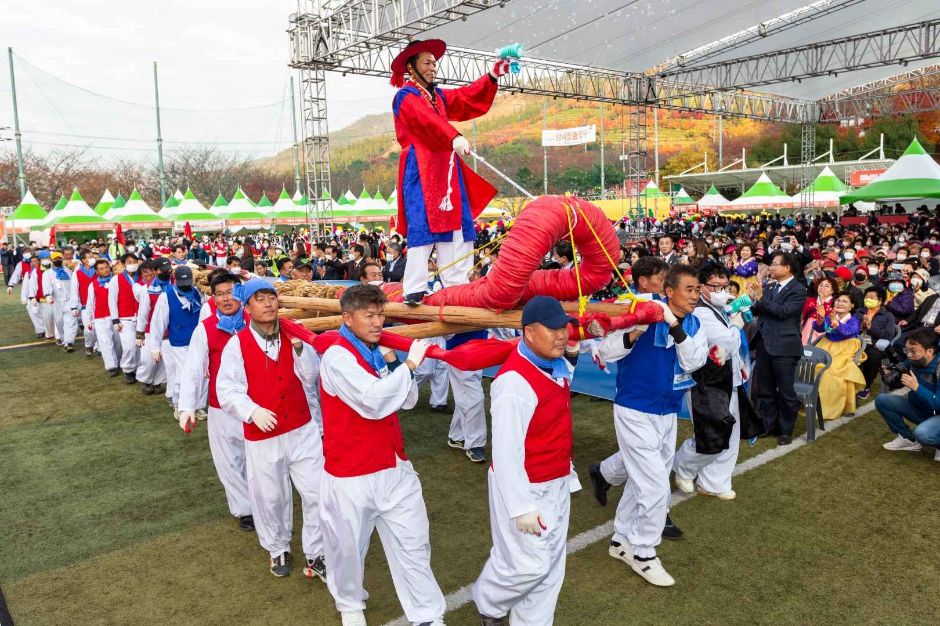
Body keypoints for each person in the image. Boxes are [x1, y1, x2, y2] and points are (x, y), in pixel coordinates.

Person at [317, 284, 445, 626]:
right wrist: (411, 364)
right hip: (350, 475)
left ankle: (428, 615)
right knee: (347, 551)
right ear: (347, 317)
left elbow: (406, 401)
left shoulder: (378, 351)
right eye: (369, 315)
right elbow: (373, 402)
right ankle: (349, 604)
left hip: (394, 467)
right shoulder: (337, 356)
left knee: (414, 546)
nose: (378, 323)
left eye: (381, 315)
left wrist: (396, 362)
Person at [595, 264, 708, 587]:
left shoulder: (695, 323)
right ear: (668, 291)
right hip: (634, 408)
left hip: (667, 411)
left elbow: (694, 362)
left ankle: (620, 540)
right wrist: (634, 333)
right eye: (689, 289)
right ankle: (644, 552)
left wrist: (676, 329)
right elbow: (606, 351)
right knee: (656, 485)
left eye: (697, 289)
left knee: (641, 477)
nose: (695, 295)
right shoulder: (638, 312)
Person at [471, 297, 582, 625]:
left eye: (563, 327)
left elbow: (557, 393)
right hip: (526, 484)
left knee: (550, 567)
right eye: (553, 329)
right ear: (529, 333)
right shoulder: (513, 383)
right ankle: (488, 601)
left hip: (556, 478)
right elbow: (506, 452)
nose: (561, 334)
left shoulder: (553, 365)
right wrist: (521, 507)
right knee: (528, 565)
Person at [216, 278, 326, 580]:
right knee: (271, 496)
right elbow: (227, 389)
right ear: (247, 307)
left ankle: (316, 552)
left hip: (302, 428)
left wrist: (302, 349)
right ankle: (277, 547)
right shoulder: (236, 344)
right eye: (259, 299)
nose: (267, 304)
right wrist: (252, 411)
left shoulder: (294, 335)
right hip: (263, 436)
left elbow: (311, 377)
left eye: (271, 298)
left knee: (318, 491)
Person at [391, 38, 507, 304]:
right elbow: (425, 120)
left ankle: (457, 282)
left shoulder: (438, 96)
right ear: (412, 69)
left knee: (458, 225)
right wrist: (453, 136)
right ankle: (415, 287)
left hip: (446, 167)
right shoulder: (405, 97)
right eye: (427, 63)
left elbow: (466, 97)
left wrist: (491, 75)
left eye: (434, 63)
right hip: (421, 166)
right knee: (423, 226)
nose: (433, 67)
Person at [177, 272, 254, 533]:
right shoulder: (206, 328)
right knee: (228, 462)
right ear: (213, 298)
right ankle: (245, 509)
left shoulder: (256, 322)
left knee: (257, 459)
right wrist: (188, 406)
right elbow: (193, 368)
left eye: (231, 292)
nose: (226, 298)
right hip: (220, 406)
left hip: (255, 405)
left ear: (241, 294)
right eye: (220, 294)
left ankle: (263, 503)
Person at [673, 263, 752, 501]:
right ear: (701, 287)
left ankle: (714, 481)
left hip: (730, 376)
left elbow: (731, 343)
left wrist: (734, 323)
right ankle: (683, 465)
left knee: (732, 430)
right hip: (708, 380)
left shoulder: (718, 308)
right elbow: (725, 339)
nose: (720, 290)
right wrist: (737, 326)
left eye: (723, 285)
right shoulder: (699, 312)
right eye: (713, 286)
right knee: (714, 430)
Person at [748, 252, 808, 446]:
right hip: (764, 343)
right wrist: (753, 299)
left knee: (785, 391)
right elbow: (759, 310)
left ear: (787, 268)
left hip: (784, 347)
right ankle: (768, 424)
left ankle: (786, 430)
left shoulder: (798, 289)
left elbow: (783, 312)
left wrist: (761, 299)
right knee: (764, 389)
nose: (770, 268)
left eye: (774, 264)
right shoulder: (771, 285)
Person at [875, 327, 940, 454]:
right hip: (920, 408)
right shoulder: (914, 360)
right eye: (907, 350)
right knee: (882, 400)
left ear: (929, 351)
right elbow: (897, 383)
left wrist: (917, 388)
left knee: (923, 433)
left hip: (937, 413)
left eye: (913, 351)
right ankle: (908, 439)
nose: (909, 355)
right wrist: (889, 375)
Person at [148, 266, 203, 413]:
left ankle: (196, 405)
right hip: (178, 342)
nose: (186, 284)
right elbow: (158, 322)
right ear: (176, 280)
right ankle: (179, 404)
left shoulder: (197, 293)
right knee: (184, 373)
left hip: (197, 341)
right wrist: (155, 347)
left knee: (200, 374)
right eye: (182, 281)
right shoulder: (166, 296)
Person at [813, 293, 866, 420]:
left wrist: (834, 321)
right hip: (826, 345)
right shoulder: (830, 316)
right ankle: (811, 400)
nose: (840, 303)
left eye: (844, 301)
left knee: (830, 371)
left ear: (851, 305)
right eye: (838, 300)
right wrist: (820, 319)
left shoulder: (854, 320)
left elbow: (847, 331)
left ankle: (833, 406)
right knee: (812, 365)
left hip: (846, 348)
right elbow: (819, 328)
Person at [108, 253, 143, 384]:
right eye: (129, 262)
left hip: (140, 317)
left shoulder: (142, 278)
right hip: (125, 318)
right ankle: (128, 369)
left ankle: (138, 369)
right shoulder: (115, 280)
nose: (132, 264)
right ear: (123, 264)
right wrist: (115, 319)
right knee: (129, 346)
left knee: (141, 346)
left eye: (134, 261)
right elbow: (112, 301)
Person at [857, 286, 897, 400]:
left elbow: (888, 336)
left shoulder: (888, 316)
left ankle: (866, 386)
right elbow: (851, 329)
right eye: (866, 297)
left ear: (880, 300)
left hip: (875, 345)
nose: (868, 299)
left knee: (872, 356)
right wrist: (861, 326)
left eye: (871, 297)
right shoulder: (860, 311)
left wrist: (870, 327)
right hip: (857, 342)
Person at [85, 259, 122, 377]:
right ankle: (111, 365)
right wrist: (88, 320)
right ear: (96, 271)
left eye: (106, 267)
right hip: (100, 317)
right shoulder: (93, 285)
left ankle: (120, 362)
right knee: (105, 342)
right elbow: (90, 303)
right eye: (101, 269)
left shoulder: (116, 281)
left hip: (116, 316)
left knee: (118, 341)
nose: (105, 270)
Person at [43, 251, 78, 351]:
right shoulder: (47, 274)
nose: (58, 260)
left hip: (69, 301)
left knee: (71, 323)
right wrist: (48, 296)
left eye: (59, 258)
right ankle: (63, 339)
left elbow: (73, 284)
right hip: (56, 302)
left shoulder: (68, 271)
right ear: (51, 260)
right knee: (59, 322)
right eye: (55, 259)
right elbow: (46, 286)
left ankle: (70, 342)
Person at [70, 249, 99, 357]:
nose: (92, 259)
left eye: (93, 256)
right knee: (89, 329)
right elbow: (74, 290)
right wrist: (74, 306)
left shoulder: (98, 270)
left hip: (100, 304)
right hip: (85, 306)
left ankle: (100, 348)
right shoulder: (77, 273)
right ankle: (89, 345)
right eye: (90, 257)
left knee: (101, 328)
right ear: (83, 260)